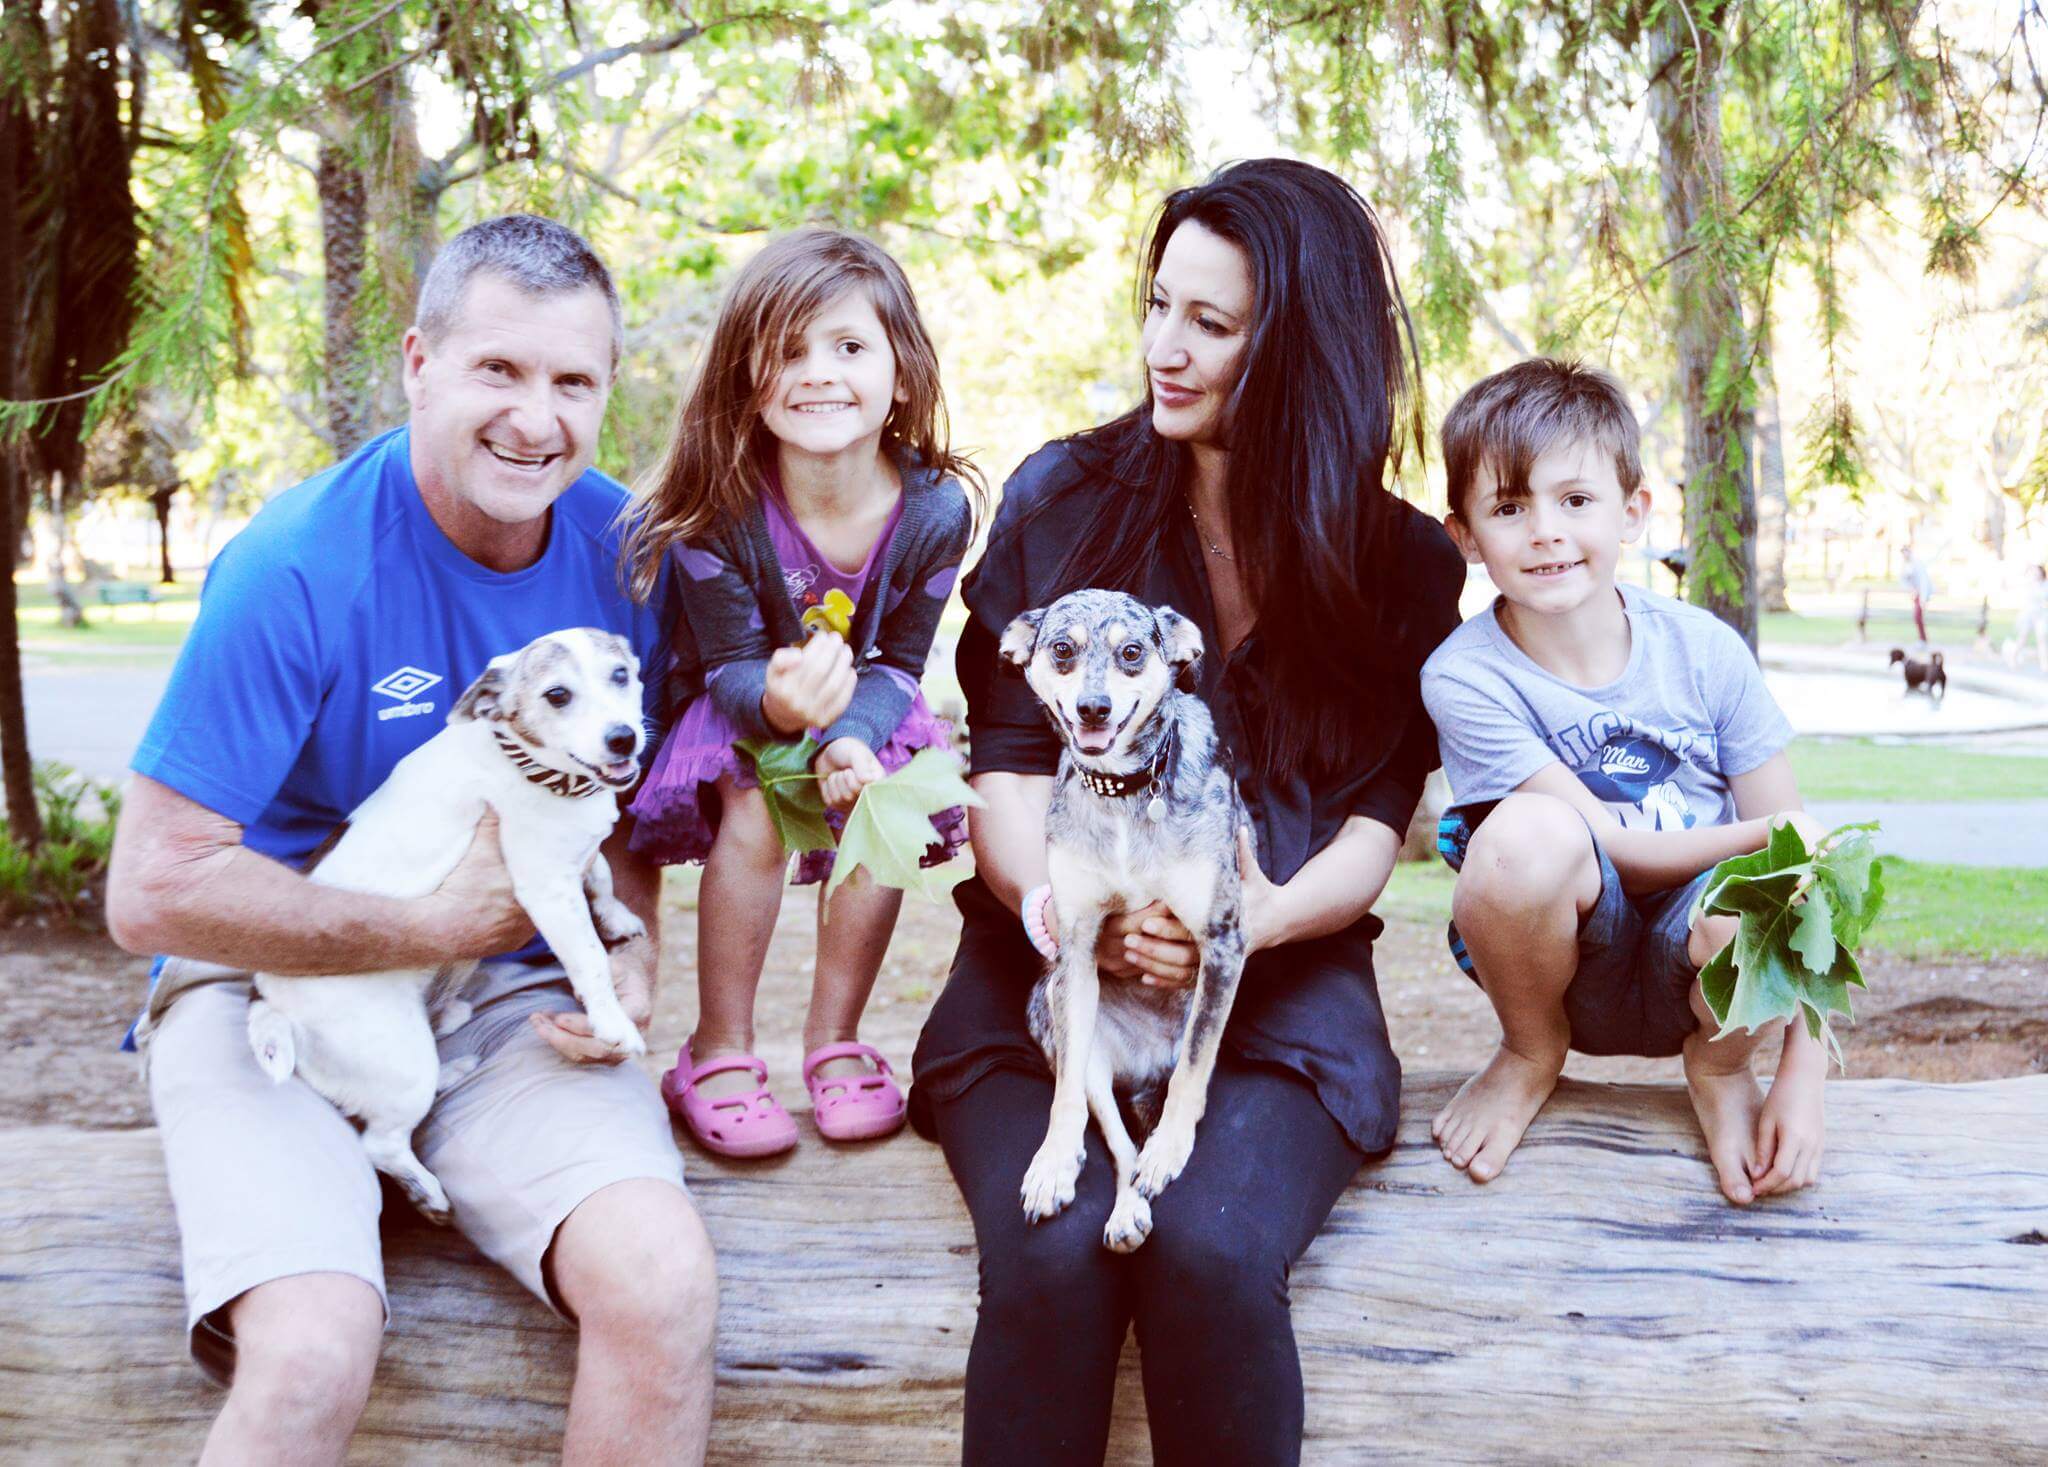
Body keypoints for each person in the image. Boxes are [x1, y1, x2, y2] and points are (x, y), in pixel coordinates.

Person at [105, 216, 717, 1465]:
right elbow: (152, 891)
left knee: (661, 1286)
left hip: (503, 1000)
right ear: (418, 363)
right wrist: (433, 926)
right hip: (262, 988)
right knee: (312, 1344)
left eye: (572, 381)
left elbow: (622, 800)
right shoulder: (296, 564)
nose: (535, 419)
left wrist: (633, 946)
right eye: (499, 369)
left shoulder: (628, 554)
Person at [906, 159, 1466, 1466]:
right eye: (1159, 305)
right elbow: (1005, 768)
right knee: (1054, 1253)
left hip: (1280, 988)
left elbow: (1374, 824)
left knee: (1207, 1251)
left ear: (1305, 350)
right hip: (1047, 971)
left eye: (1210, 323)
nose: (1165, 346)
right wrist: (1070, 919)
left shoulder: (1400, 564)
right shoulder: (1064, 498)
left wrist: (1249, 921)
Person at [1420, 357, 1828, 1208]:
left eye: (1576, 499)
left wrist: (1806, 1070)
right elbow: (1617, 848)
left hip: (1712, 975)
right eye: (1509, 507)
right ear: (1466, 536)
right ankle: (1528, 1053)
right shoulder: (1465, 676)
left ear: (1633, 511)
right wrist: (1774, 835)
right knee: (1522, 836)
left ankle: (1722, 1069)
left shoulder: (1704, 650)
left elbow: (1803, 882)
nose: (1545, 531)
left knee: (1763, 894)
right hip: (1567, 970)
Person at [620, 229, 979, 1157]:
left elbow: (900, 661)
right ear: (747, 378)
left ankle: (836, 1041)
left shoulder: (936, 510)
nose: (817, 372)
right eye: (786, 350)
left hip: (870, 707)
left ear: (903, 374)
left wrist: (850, 740)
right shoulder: (719, 507)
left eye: (849, 346)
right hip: (748, 702)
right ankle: (718, 1049)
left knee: (880, 802)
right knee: (757, 801)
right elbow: (729, 662)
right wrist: (783, 710)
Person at [2005, 562, 2047, 672]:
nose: (2036, 573)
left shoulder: (2045, 585)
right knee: (2022, 638)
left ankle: (2044, 663)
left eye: (2038, 571)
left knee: (2041, 639)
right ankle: (2013, 657)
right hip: (2028, 615)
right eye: (2034, 571)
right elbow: (2014, 586)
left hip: (2040, 615)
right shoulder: (2029, 583)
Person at [1902, 542, 1935, 643]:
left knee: (1917, 616)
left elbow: (1923, 581)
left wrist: (1923, 599)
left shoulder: (1917, 563)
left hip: (1922, 594)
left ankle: (1923, 639)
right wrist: (1911, 590)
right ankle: (1922, 639)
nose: (1905, 554)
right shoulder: (1905, 565)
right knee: (1917, 617)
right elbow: (1904, 580)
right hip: (1916, 594)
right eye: (1903, 552)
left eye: (1906, 551)